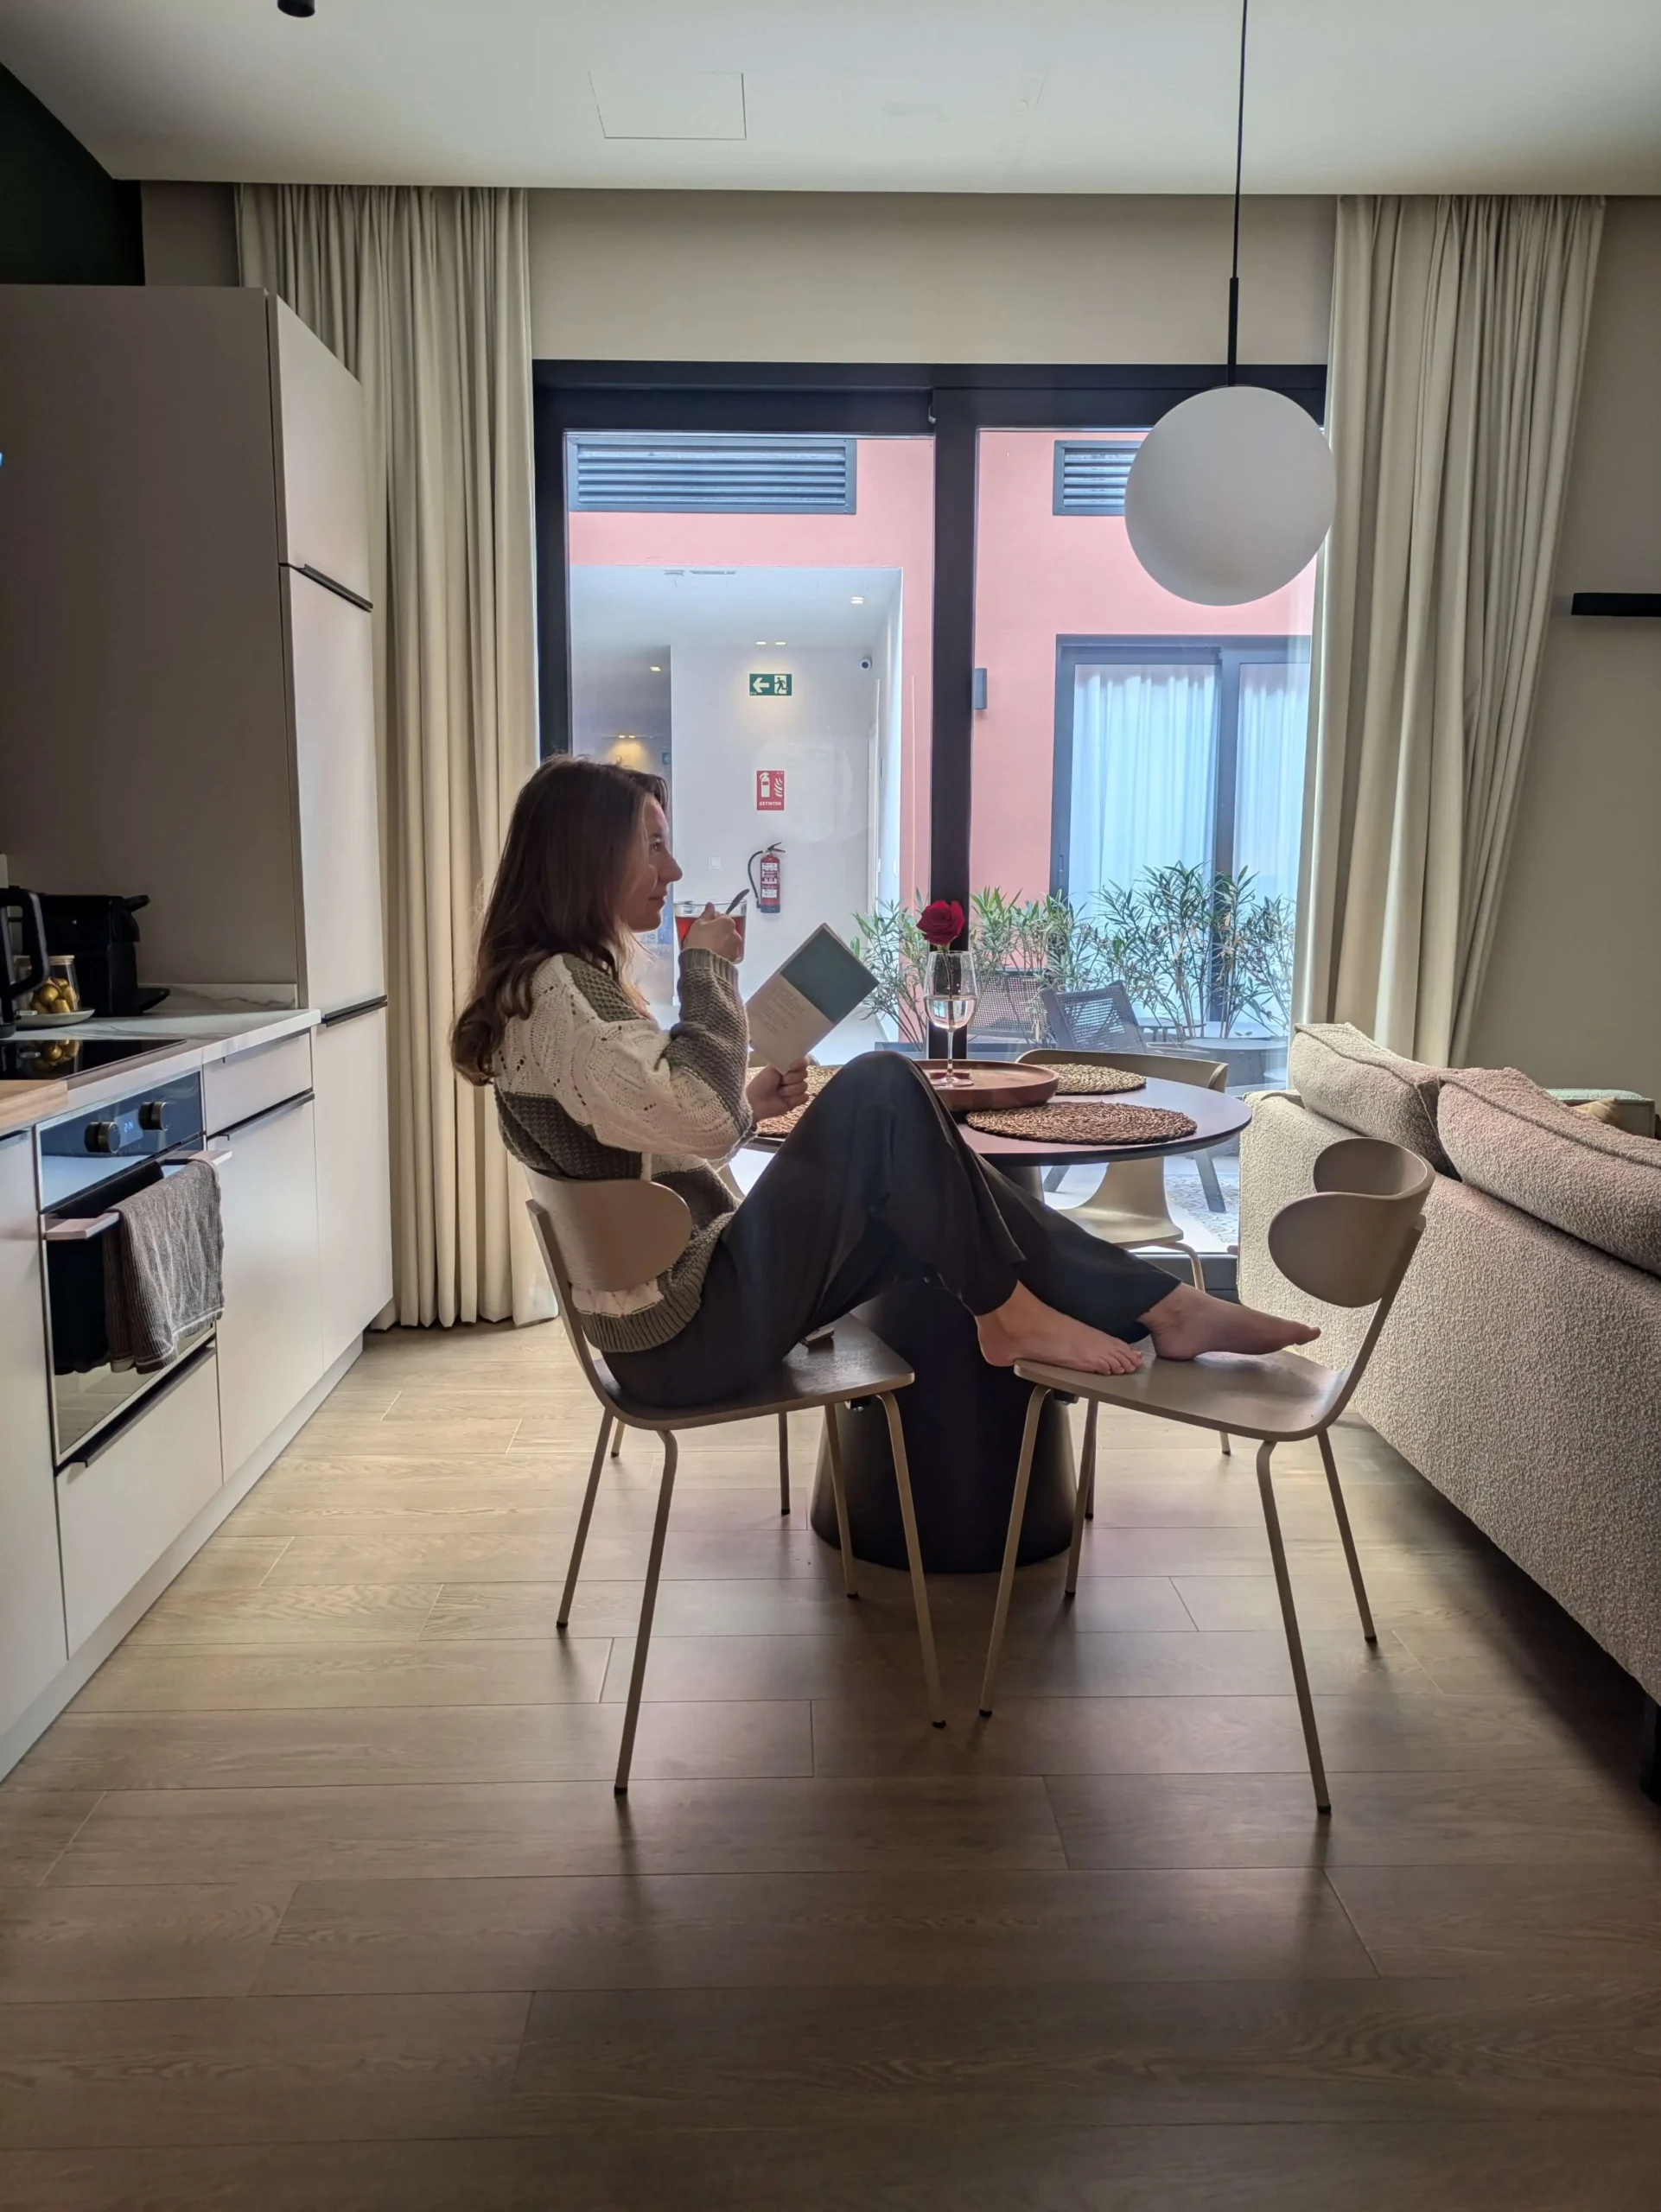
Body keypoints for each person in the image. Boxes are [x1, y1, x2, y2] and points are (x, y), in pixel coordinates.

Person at [452, 757, 1316, 1407]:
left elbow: (657, 1128)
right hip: (680, 1336)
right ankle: (1036, 1314)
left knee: (933, 1191)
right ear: (586, 856)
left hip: (677, 1325)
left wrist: (745, 1102)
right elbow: (697, 1119)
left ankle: (1151, 1307)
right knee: (880, 1085)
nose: (671, 870)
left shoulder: (550, 989)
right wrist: (709, 974)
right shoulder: (561, 992)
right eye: (652, 846)